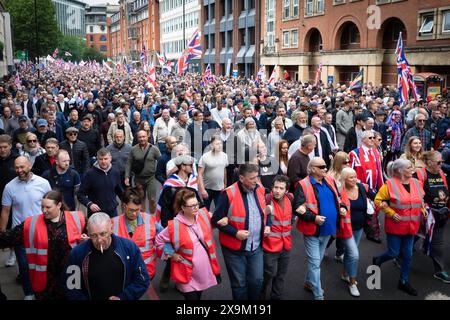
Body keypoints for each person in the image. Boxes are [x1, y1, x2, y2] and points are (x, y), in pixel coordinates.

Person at [0, 191, 86, 299]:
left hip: (71, 277)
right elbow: (8, 237)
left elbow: (94, 235)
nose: (44, 210)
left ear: (59, 205)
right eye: (42, 207)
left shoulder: (77, 218)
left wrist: (86, 240)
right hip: (45, 281)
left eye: (48, 207)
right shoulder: (31, 224)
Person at [212, 163, 270, 300]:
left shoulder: (260, 188)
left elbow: (265, 211)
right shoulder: (228, 194)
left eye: (257, 177)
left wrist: (268, 224)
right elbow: (216, 220)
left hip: (256, 246)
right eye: (252, 178)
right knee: (239, 284)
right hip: (234, 250)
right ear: (242, 178)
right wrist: (235, 233)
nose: (256, 181)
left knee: (257, 281)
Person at [293, 157, 347, 300]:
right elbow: (298, 208)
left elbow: (338, 198)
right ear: (311, 169)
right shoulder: (302, 185)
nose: (325, 169)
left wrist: (342, 208)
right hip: (312, 231)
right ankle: (318, 294)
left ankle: (308, 283)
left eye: (325, 166)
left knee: (316, 261)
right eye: (321, 166)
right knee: (315, 263)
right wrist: (314, 218)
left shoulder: (329, 180)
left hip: (328, 229)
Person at [65, 212, 150, 300]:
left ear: (111, 228)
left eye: (103, 234)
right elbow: (71, 286)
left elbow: (142, 280)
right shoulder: (77, 254)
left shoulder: (129, 248)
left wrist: (123, 297)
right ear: (88, 232)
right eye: (93, 235)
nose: (99, 240)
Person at [1, 156, 52, 300]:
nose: (19, 170)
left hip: (42, 231)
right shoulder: (9, 187)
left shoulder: (43, 183)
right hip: (21, 233)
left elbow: (51, 205)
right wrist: (3, 235)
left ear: (29, 165)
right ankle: (29, 293)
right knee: (24, 266)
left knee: (44, 263)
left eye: (22, 167)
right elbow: (5, 211)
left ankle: (44, 290)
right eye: (16, 167)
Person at [156, 188, 221, 300]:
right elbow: (158, 241)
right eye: (192, 206)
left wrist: (222, 221)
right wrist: (171, 254)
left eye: (197, 204)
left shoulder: (203, 215)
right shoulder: (174, 226)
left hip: (202, 270)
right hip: (186, 271)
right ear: (182, 207)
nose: (196, 207)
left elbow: (215, 222)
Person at [373, 159, 425, 296]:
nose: (412, 168)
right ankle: (377, 260)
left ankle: (403, 281)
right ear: (400, 171)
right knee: (394, 253)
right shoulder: (389, 185)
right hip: (396, 226)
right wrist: (390, 212)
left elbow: (420, 200)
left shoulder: (417, 183)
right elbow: (377, 201)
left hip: (412, 227)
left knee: (408, 255)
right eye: (409, 167)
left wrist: (423, 210)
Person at [339, 168, 376, 297]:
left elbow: (377, 196)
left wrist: (383, 203)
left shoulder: (361, 187)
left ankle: (345, 273)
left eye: (355, 176)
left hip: (360, 227)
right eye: (351, 177)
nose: (355, 179)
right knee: (354, 255)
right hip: (346, 228)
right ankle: (352, 282)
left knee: (350, 253)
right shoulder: (339, 191)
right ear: (344, 179)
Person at [112, 185, 163, 280]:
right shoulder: (113, 223)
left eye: (137, 210)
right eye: (131, 210)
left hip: (146, 271)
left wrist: (168, 249)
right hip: (123, 273)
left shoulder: (150, 220)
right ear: (123, 206)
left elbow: (164, 236)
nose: (135, 213)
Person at [416, 150, 450, 283]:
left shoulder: (441, 173)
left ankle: (439, 270)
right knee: (414, 237)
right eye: (439, 162)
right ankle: (400, 257)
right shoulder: (420, 174)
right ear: (429, 163)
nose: (442, 164)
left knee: (438, 242)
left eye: (442, 162)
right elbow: (418, 195)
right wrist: (430, 210)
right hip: (425, 215)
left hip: (441, 215)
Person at [261, 175, 293, 300]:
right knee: (268, 274)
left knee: (281, 275)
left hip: (286, 246)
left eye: (281, 188)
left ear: (286, 191)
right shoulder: (266, 200)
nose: (277, 191)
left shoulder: (290, 199)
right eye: (275, 187)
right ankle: (261, 294)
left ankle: (276, 297)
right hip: (269, 246)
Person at [77, 148, 123, 218]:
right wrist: (90, 204)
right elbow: (80, 194)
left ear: (110, 158)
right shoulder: (89, 174)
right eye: (101, 159)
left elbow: (120, 192)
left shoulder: (115, 172)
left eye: (105, 159)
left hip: (112, 212)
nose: (103, 161)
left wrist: (128, 201)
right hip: (96, 213)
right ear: (97, 159)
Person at [125, 130, 161, 214]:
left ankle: (152, 216)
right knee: (140, 198)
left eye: (144, 136)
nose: (142, 139)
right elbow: (129, 163)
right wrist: (127, 177)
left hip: (151, 178)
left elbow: (161, 161)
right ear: (137, 138)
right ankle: (143, 216)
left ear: (147, 137)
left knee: (152, 199)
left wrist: (161, 175)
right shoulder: (133, 149)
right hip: (138, 179)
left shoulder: (154, 149)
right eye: (140, 137)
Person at [0, 134, 18, 267]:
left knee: (12, 226)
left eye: (5, 147)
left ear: (10, 146)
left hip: (13, 199)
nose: (2, 150)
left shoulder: (17, 159)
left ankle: (12, 253)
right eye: (0, 147)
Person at [198, 136, 228, 210]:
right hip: (207, 188)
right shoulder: (205, 157)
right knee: (205, 210)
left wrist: (225, 184)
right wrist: (202, 189)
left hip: (219, 188)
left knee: (219, 210)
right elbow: (199, 174)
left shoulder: (224, 156)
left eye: (220, 143)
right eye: (217, 144)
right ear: (211, 145)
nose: (220, 145)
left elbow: (224, 170)